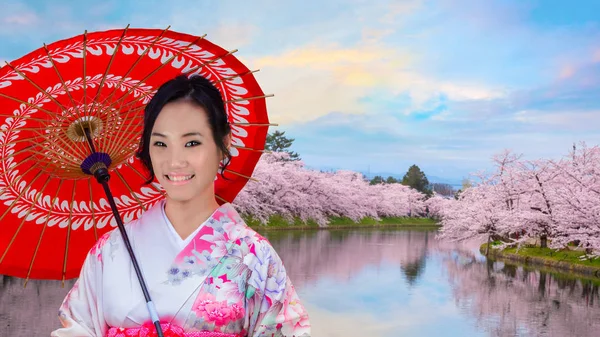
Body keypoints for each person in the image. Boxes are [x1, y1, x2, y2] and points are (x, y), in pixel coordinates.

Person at [51, 74, 311, 337]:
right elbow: (77, 328)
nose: (175, 161)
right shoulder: (111, 250)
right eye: (161, 144)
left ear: (224, 143)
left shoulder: (253, 256)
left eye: (192, 143)